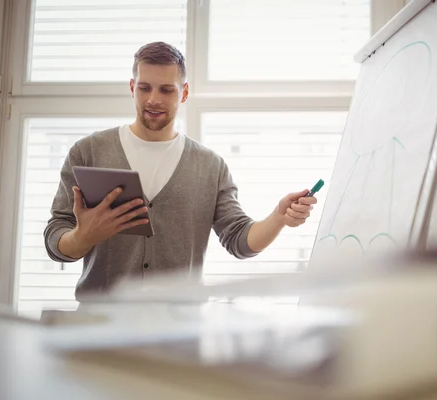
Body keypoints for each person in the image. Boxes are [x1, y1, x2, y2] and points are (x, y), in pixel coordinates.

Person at [43, 41, 318, 301]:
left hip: (179, 333)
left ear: (184, 93)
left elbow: (239, 240)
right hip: (98, 330)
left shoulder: (211, 166)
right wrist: (83, 237)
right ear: (132, 87)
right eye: (144, 88)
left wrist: (279, 217)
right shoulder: (88, 152)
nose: (153, 100)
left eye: (166, 90)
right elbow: (56, 237)